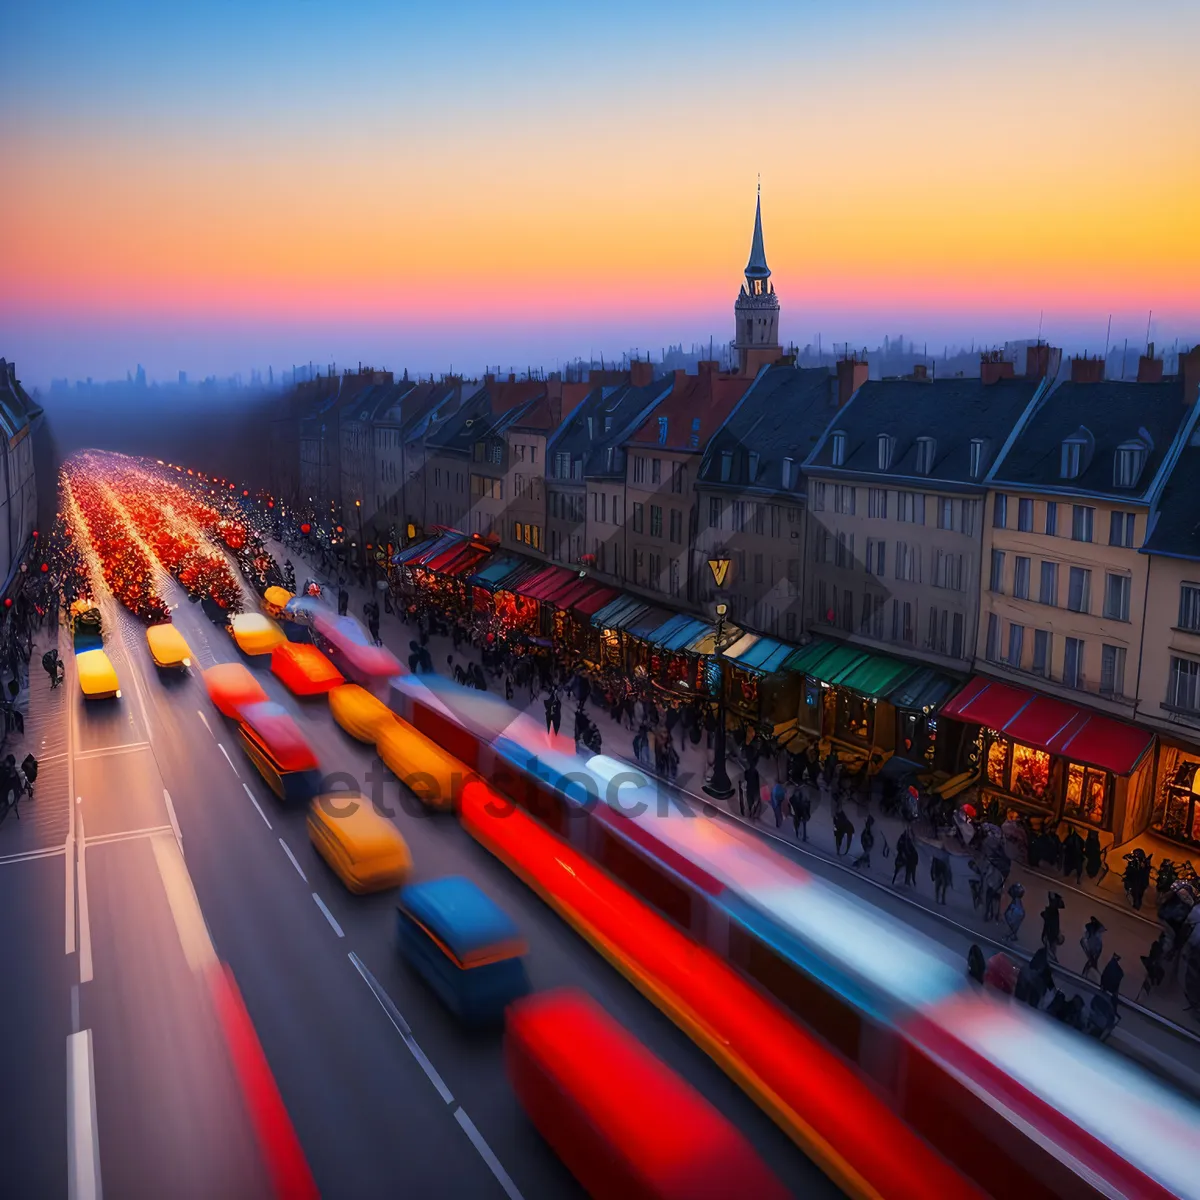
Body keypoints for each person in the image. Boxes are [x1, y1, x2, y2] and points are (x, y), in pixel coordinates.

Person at [1041, 892, 1065, 961]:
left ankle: (1052, 959)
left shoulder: (1053, 912)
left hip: (1052, 933)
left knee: (1050, 948)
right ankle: (1052, 960)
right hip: (1051, 934)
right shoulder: (1052, 912)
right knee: (1050, 948)